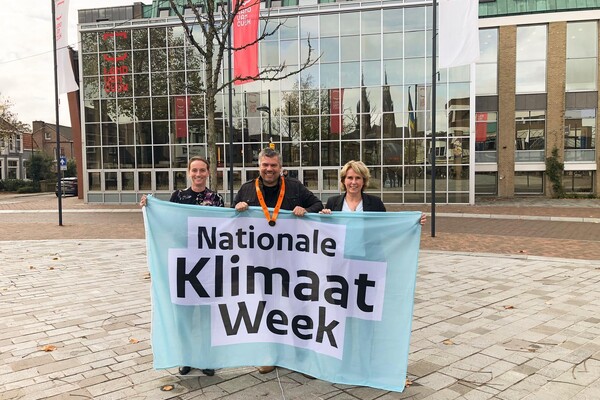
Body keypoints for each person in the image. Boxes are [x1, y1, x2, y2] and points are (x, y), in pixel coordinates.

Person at [234, 147, 323, 374]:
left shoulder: (294, 187)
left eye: (273, 166)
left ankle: (302, 356)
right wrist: (237, 209)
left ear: (280, 168)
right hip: (260, 263)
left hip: (292, 262)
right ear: (259, 166)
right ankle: (269, 354)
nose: (269, 169)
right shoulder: (246, 190)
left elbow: (318, 205)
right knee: (266, 307)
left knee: (297, 306)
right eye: (265, 165)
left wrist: (305, 209)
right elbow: (231, 221)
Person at [140, 156, 224, 377]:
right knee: (184, 315)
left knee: (207, 315)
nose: (198, 174)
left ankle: (206, 358)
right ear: (188, 172)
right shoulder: (177, 197)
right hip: (184, 266)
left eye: (202, 170)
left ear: (208, 172)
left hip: (208, 265)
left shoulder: (216, 199)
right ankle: (186, 357)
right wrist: (150, 206)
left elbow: (224, 228)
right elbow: (167, 223)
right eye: (194, 170)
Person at [321, 160, 427, 225]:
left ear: (364, 181)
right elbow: (326, 230)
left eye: (358, 178)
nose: (353, 182)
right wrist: (323, 218)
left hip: (368, 257)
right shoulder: (332, 202)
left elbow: (387, 226)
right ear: (344, 180)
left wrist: (413, 221)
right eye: (350, 178)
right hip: (340, 256)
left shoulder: (375, 203)